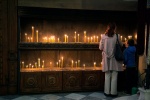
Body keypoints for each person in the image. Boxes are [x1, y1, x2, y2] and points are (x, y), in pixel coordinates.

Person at [99, 22, 123, 97]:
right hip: (115, 58)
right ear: (114, 28)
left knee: (107, 75)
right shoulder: (117, 36)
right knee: (114, 75)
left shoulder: (103, 36)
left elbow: (100, 48)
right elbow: (121, 45)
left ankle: (107, 92)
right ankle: (113, 92)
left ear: (108, 28)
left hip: (106, 59)